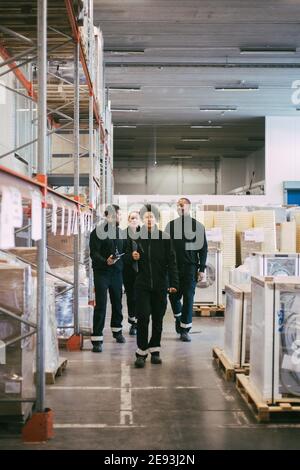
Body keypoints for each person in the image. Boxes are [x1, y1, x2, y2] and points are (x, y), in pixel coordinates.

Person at [126, 204, 179, 368]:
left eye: (152, 216)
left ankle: (155, 350)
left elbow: (172, 262)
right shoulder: (136, 238)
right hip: (142, 284)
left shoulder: (164, 238)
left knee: (158, 318)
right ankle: (141, 352)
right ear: (143, 219)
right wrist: (132, 257)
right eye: (146, 216)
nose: (149, 219)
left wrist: (173, 283)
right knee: (142, 317)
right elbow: (126, 260)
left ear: (156, 219)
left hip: (160, 285)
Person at [165, 197, 208, 342]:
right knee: (174, 296)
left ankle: (185, 329)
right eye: (178, 206)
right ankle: (179, 317)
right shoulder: (170, 226)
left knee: (189, 298)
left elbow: (203, 250)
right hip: (173, 268)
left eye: (183, 205)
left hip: (190, 268)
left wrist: (201, 269)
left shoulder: (198, 227)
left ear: (189, 207)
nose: (180, 208)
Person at [89, 204, 126, 353]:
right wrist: (106, 261)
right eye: (117, 215)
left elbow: (124, 251)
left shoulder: (120, 233)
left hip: (116, 273)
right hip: (102, 273)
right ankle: (97, 339)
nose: (119, 217)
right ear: (109, 216)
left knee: (117, 303)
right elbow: (94, 253)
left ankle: (117, 332)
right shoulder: (97, 232)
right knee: (101, 305)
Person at [122, 211, 141, 336]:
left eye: (136, 218)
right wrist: (130, 256)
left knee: (141, 298)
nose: (134, 220)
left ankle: (140, 322)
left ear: (140, 220)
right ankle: (133, 322)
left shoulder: (145, 234)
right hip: (128, 271)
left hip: (143, 271)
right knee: (131, 297)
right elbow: (121, 254)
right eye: (132, 218)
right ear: (128, 220)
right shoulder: (123, 234)